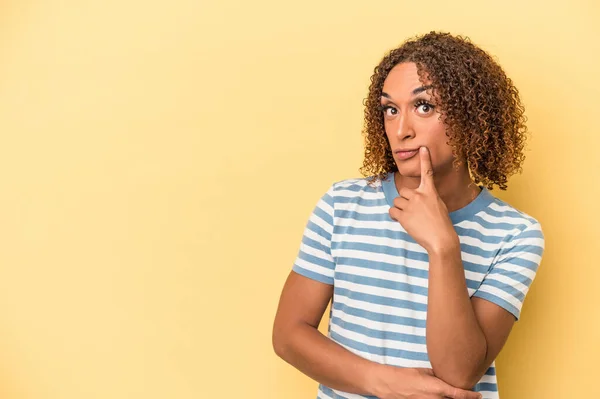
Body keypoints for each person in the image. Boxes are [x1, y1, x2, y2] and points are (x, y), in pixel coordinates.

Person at [272, 31, 545, 399]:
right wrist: (384, 383)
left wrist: (443, 246)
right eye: (390, 109)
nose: (401, 130)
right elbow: (289, 334)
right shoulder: (342, 204)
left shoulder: (515, 234)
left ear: (472, 116)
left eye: (424, 107)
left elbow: (459, 373)